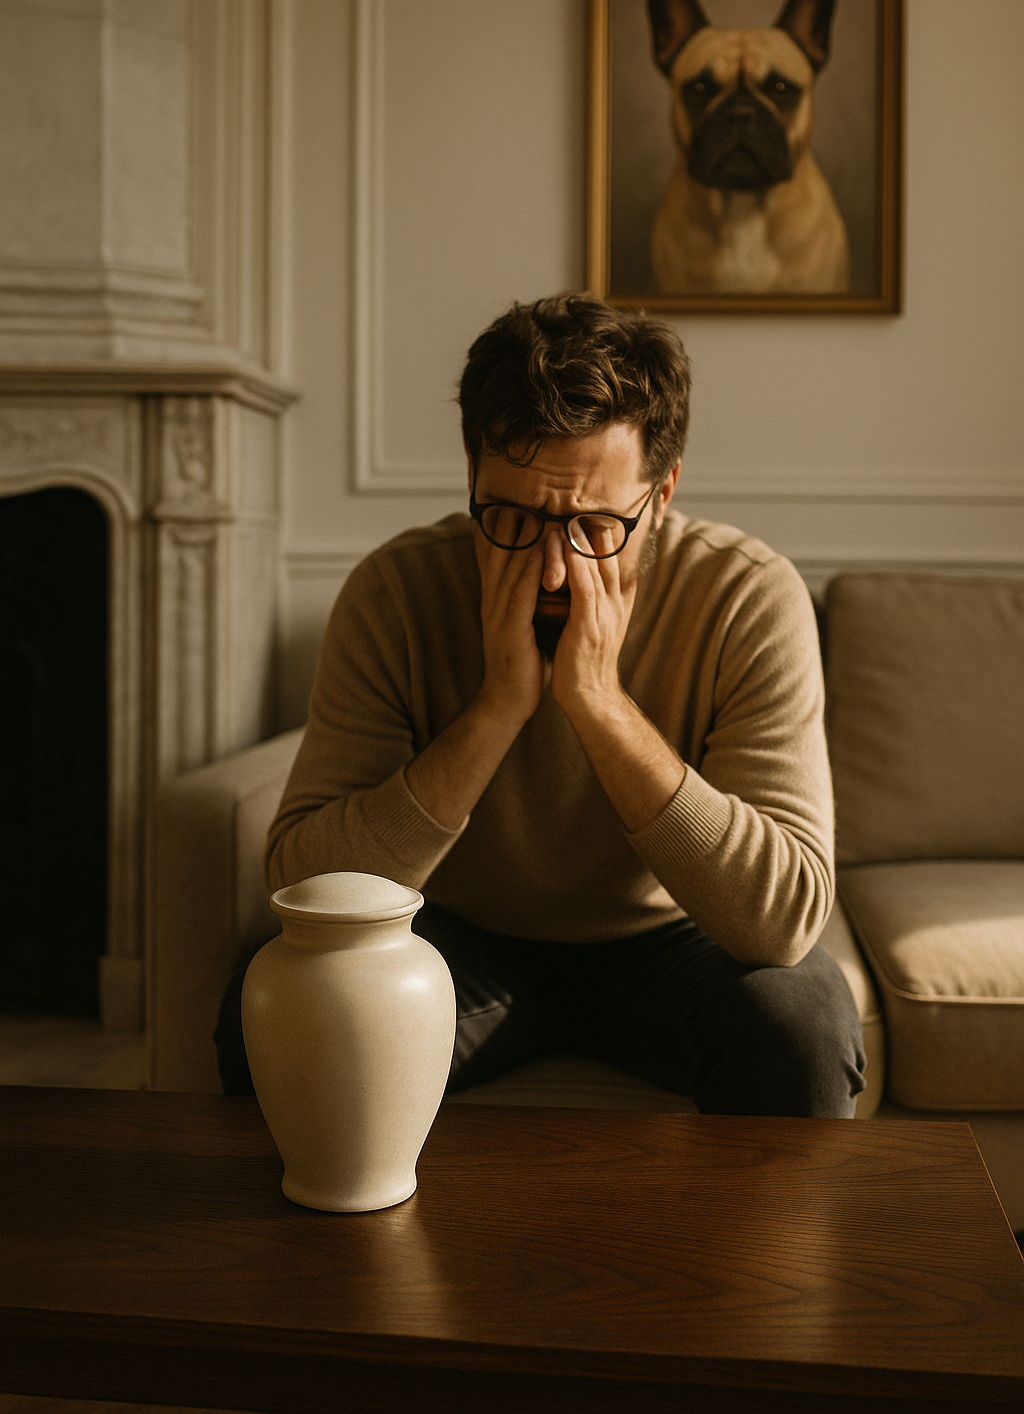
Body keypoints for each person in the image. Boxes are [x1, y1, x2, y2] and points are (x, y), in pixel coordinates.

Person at [216, 292, 866, 1115]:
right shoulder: (394, 593)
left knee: (800, 1026)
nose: (554, 570)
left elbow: (783, 917)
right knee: (269, 1011)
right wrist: (496, 709)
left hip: (673, 937)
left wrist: (598, 702)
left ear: (662, 494)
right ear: (469, 469)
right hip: (455, 935)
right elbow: (303, 883)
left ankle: (741, 1255)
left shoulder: (747, 597)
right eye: (513, 518)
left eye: (596, 527)